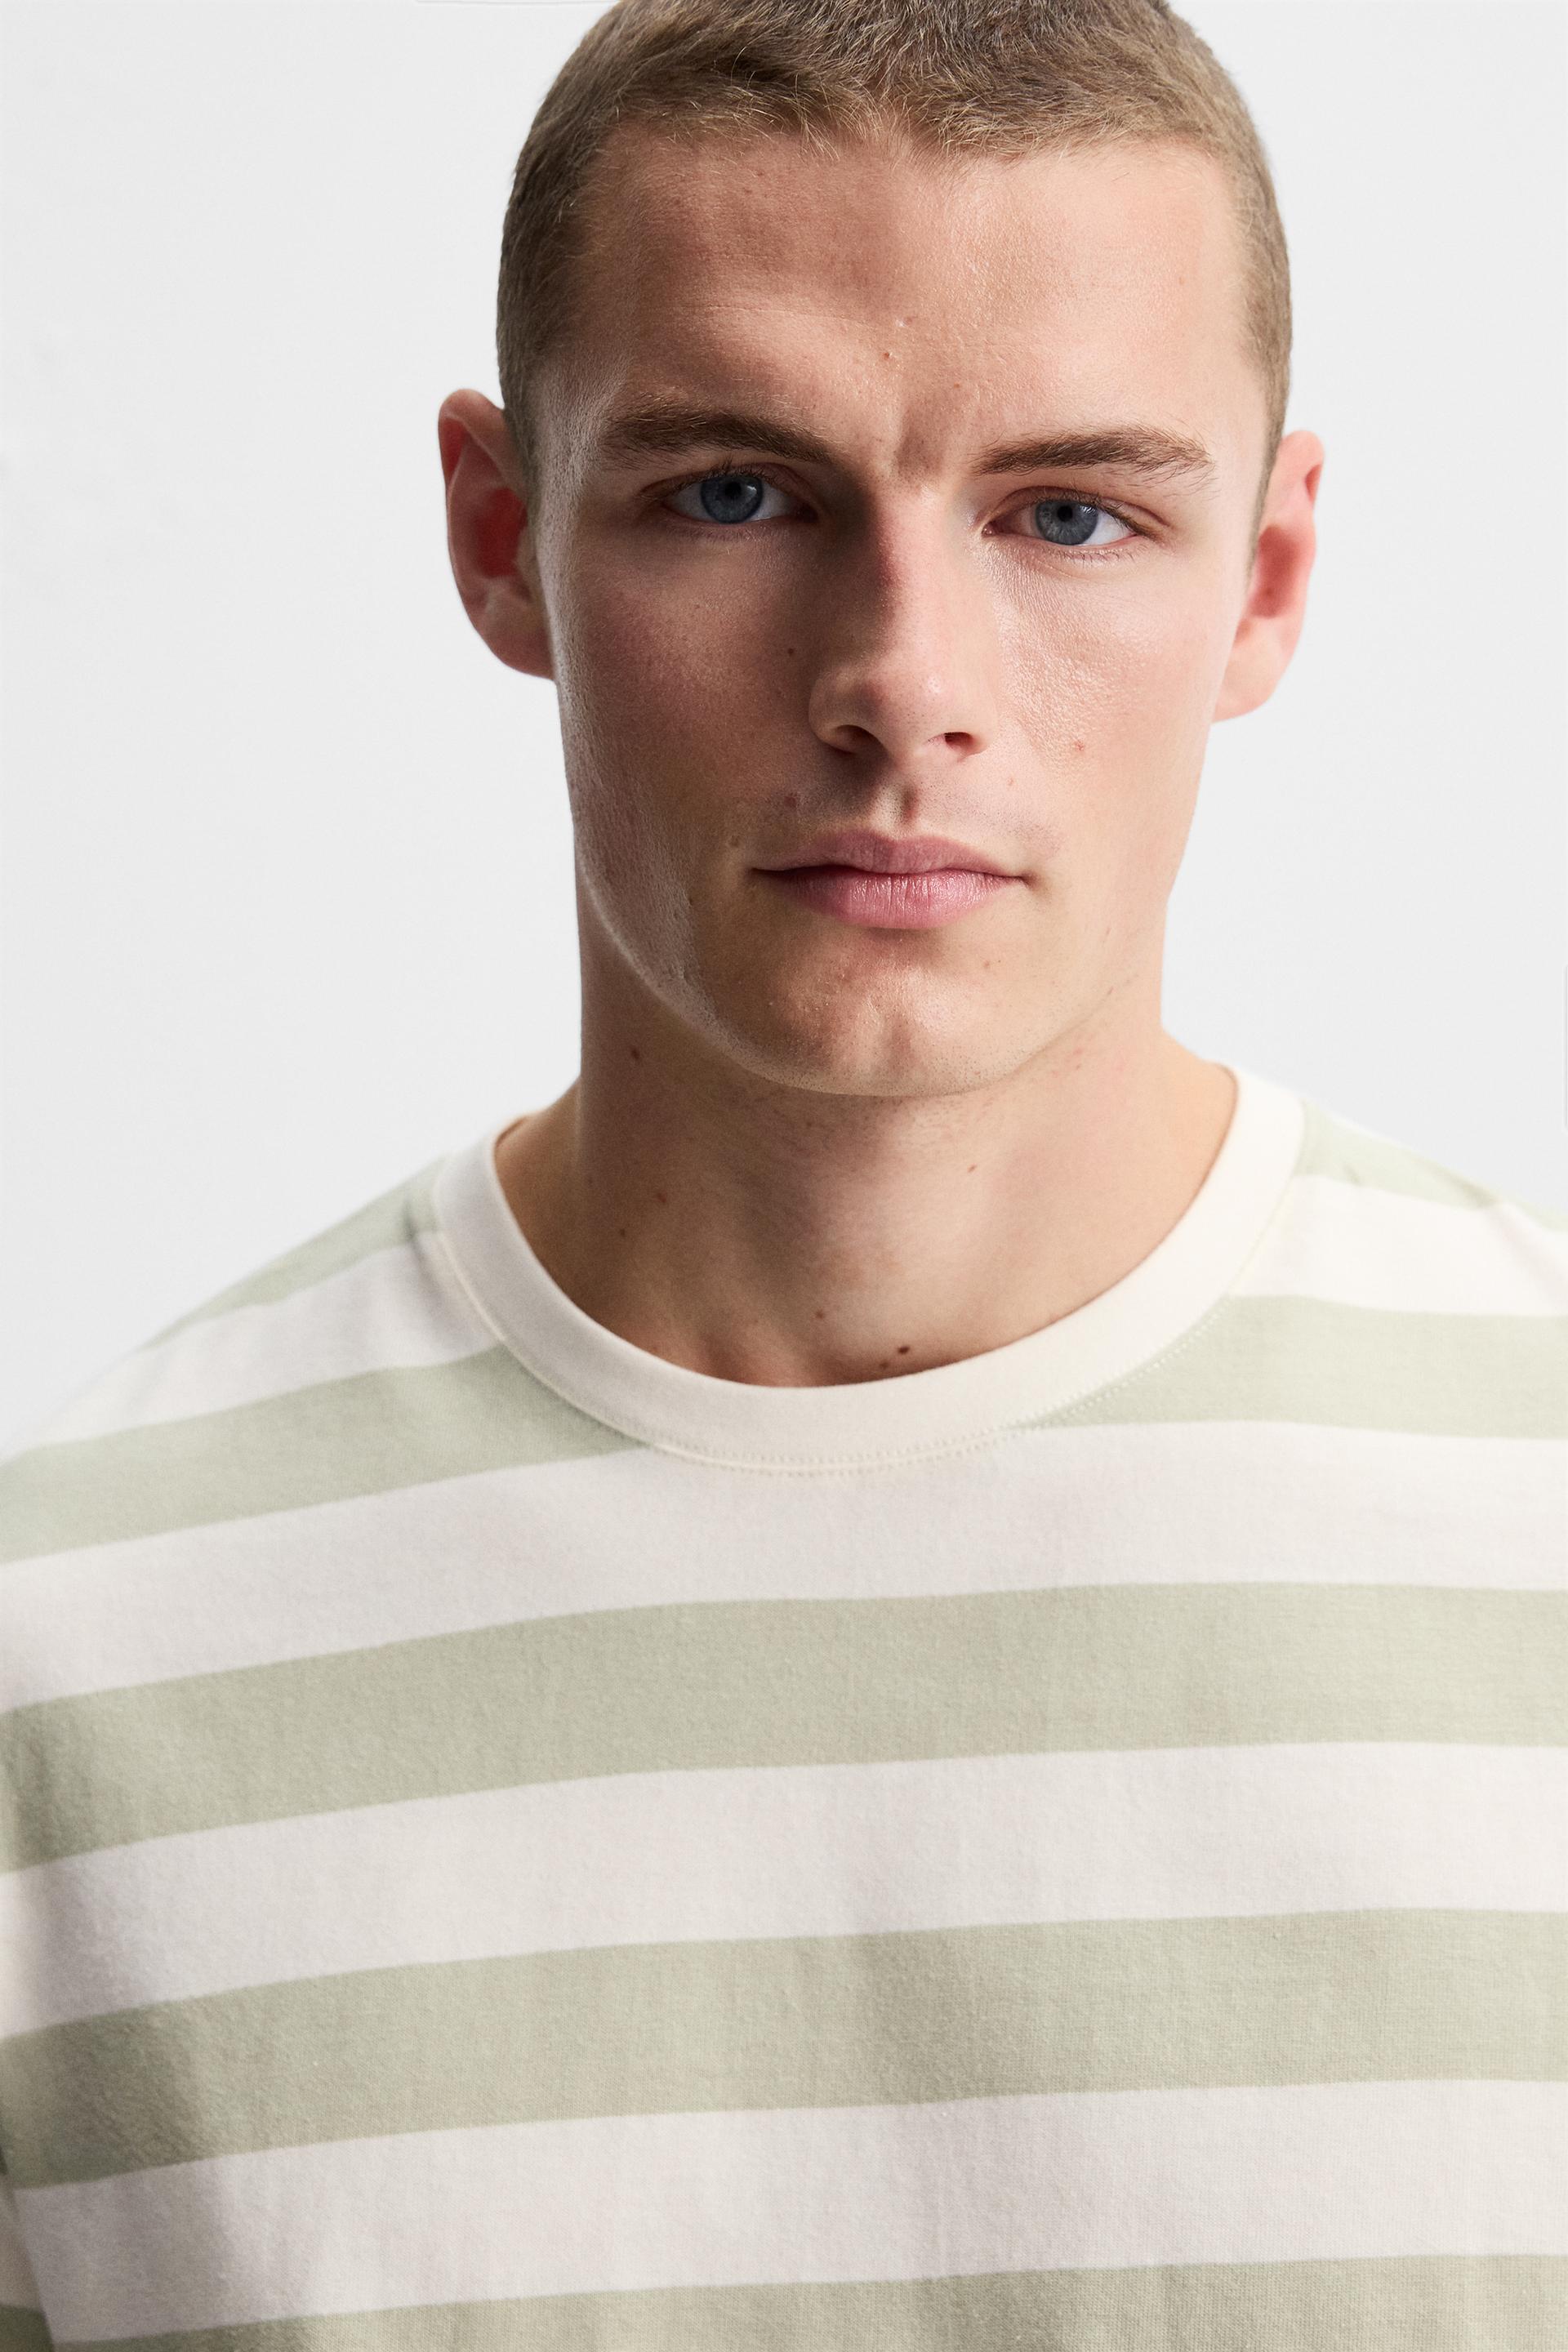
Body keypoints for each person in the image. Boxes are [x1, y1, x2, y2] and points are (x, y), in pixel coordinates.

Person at [1, 0, 1562, 2341]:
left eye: (1069, 515)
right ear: (501, 538)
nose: (902, 681)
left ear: (1263, 578)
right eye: (737, 494)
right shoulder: (64, 1660)